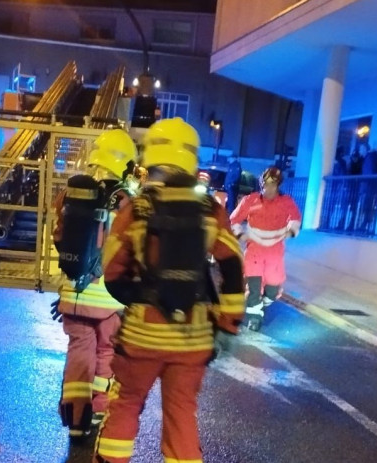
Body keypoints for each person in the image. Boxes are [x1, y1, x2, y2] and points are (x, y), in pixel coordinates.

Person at [92, 117, 245, 463]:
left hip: (142, 336)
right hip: (193, 339)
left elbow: (113, 272)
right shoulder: (211, 211)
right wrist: (228, 323)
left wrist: (141, 298)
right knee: (181, 414)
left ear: (151, 157)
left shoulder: (138, 208)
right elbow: (233, 267)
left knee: (126, 405)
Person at [51, 128, 138, 441]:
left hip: (74, 292)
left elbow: (59, 236)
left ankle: (76, 419)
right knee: (105, 351)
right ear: (125, 162)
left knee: (79, 351)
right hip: (110, 297)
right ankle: (98, 411)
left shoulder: (74, 193)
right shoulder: (128, 201)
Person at [229, 166, 302, 332]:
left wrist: (291, 231)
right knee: (254, 286)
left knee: (272, 288)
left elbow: (296, 219)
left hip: (275, 252)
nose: (268, 189)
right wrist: (240, 234)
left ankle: (263, 302)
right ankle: (254, 317)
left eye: (272, 185)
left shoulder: (286, 202)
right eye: (265, 184)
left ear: (278, 185)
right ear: (261, 184)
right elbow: (234, 219)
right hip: (254, 250)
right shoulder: (250, 200)